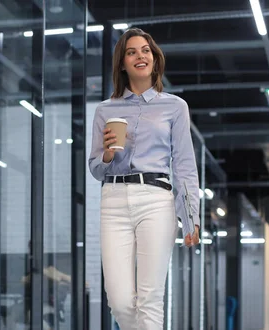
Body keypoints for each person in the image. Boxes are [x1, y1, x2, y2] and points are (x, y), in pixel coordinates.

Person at [88, 28, 201, 329]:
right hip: (113, 201)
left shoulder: (174, 106)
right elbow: (96, 168)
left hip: (156, 199)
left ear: (154, 59)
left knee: (150, 298)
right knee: (121, 301)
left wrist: (191, 217)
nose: (140, 56)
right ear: (122, 64)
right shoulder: (105, 110)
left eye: (146, 50)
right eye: (131, 52)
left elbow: (185, 165)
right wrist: (108, 155)